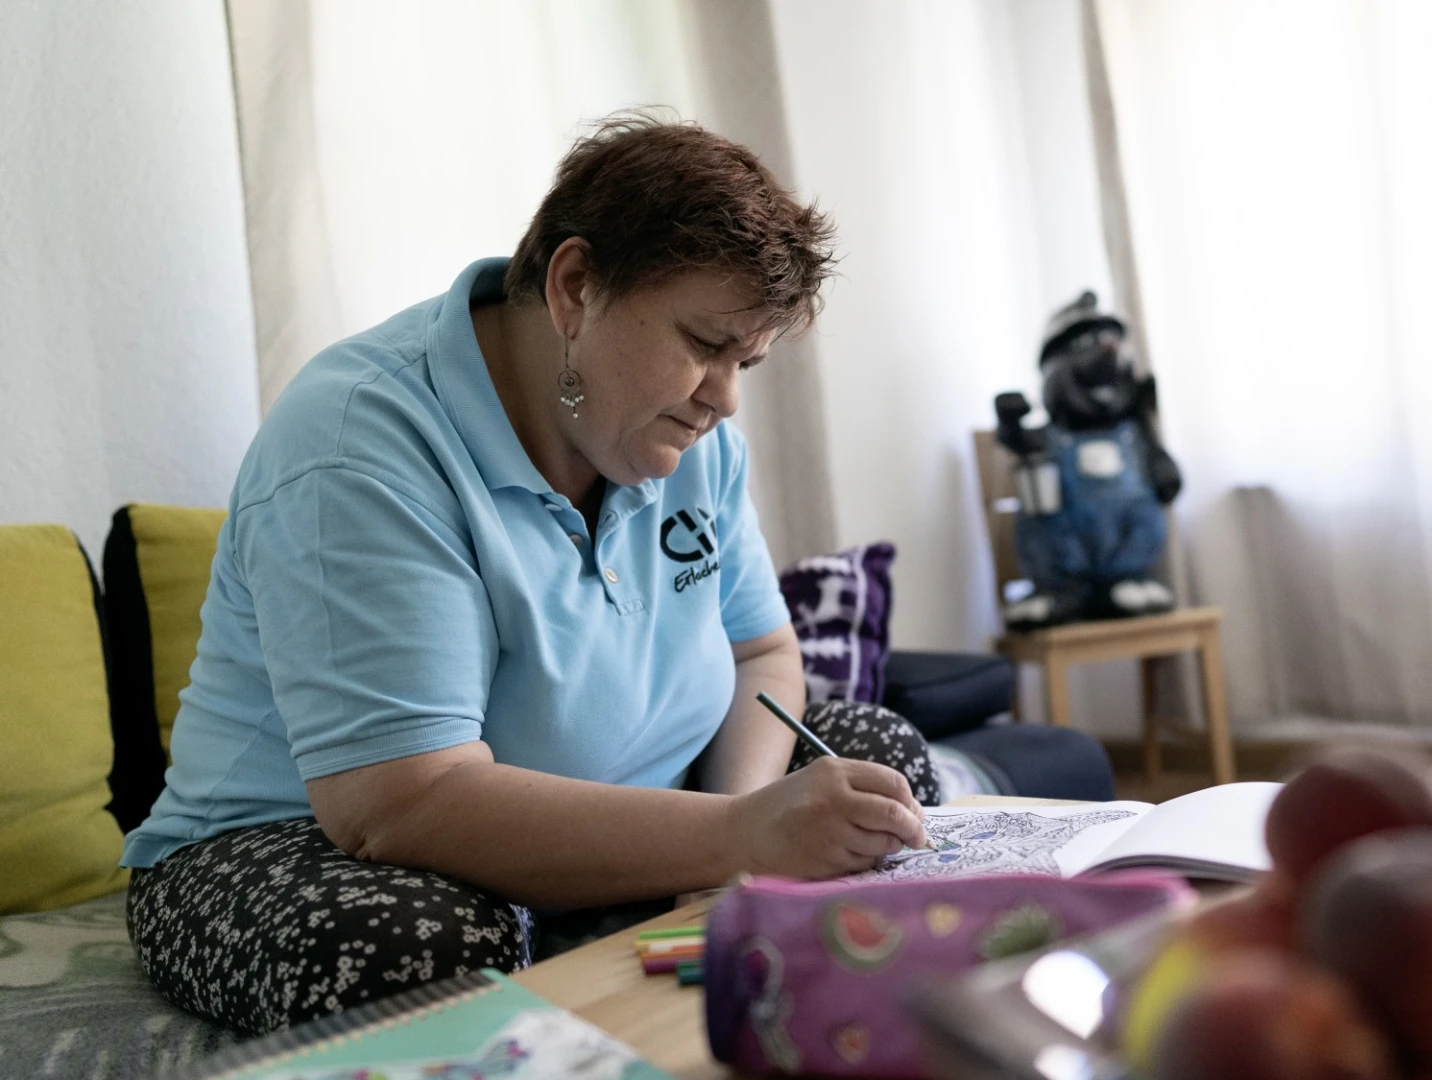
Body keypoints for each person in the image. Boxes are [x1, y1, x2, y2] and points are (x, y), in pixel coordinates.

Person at [121, 112, 939, 1035]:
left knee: (875, 770)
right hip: (314, 846)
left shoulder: (685, 439)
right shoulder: (359, 444)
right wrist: (740, 839)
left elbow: (760, 653)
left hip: (653, 801)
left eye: (745, 361)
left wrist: (735, 824)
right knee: (410, 943)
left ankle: (618, 917)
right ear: (575, 287)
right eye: (707, 344)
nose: (726, 397)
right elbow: (400, 804)